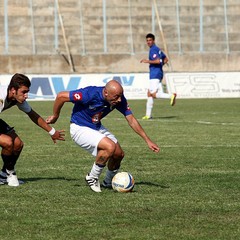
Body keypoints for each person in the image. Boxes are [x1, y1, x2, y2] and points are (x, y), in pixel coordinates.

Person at [46, 80, 160, 193]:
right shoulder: (89, 94)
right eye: (116, 97)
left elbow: (131, 119)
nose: (119, 100)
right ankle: (92, 177)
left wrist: (147, 140)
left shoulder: (119, 99)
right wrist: (55, 116)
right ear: (106, 93)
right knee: (109, 147)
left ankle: (108, 182)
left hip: (95, 126)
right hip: (79, 128)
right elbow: (61, 96)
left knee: (118, 154)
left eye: (120, 96)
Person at [0, 73, 65, 187]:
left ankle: (3, 175)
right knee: (7, 142)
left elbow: (33, 115)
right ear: (13, 90)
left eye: (27, 92)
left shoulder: (15, 97)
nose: (26, 95)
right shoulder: (1, 97)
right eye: (24, 92)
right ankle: (10, 173)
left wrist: (52, 131)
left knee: (18, 144)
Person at [140, 33, 177, 120]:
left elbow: (156, 61)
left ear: (153, 40)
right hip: (158, 73)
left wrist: (147, 61)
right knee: (152, 94)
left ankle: (171, 96)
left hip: (155, 74)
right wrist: (161, 64)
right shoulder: (158, 49)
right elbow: (165, 59)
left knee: (151, 94)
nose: (148, 42)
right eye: (147, 40)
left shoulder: (153, 49)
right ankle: (148, 115)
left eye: (150, 40)